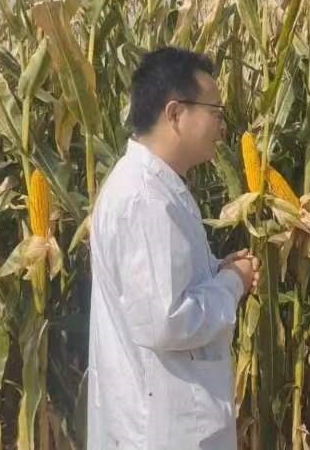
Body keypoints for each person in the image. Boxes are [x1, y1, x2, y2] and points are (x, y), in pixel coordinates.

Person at [87, 47, 260, 449]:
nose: (222, 127)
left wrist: (217, 269)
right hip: (161, 428)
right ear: (176, 113)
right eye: (215, 112)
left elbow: (165, 284)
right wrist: (232, 283)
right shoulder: (146, 199)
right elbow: (166, 320)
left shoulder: (157, 187)